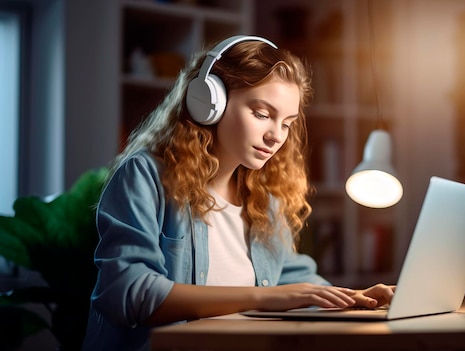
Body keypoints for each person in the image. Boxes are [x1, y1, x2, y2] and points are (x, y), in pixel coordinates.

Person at [81, 36, 394, 351]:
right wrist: (266, 297)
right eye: (261, 114)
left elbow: (293, 280)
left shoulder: (264, 199)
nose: (275, 136)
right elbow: (128, 290)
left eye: (286, 124)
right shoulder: (145, 175)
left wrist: (355, 298)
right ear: (208, 102)